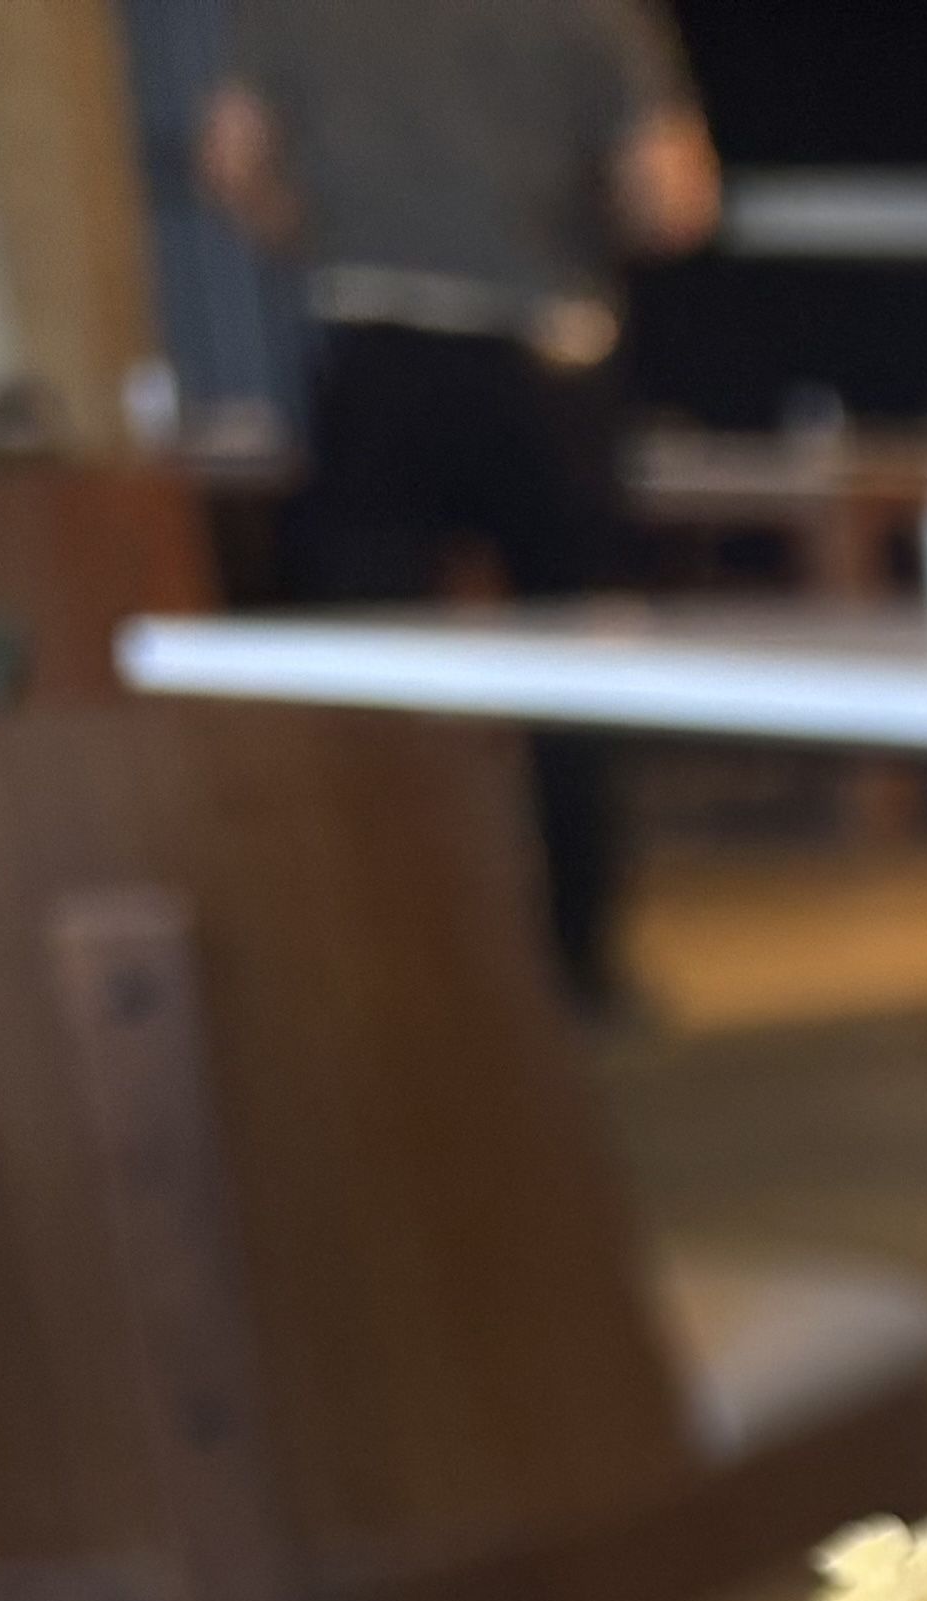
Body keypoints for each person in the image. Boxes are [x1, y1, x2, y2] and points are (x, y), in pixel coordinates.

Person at [197, 0, 720, 1010]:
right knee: (576, 665)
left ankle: (377, 950)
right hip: (546, 356)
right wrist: (561, 228)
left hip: (375, 342)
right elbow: (671, 195)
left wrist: (326, 229)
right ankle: (579, 957)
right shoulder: (595, 13)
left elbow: (234, 162)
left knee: (366, 671)